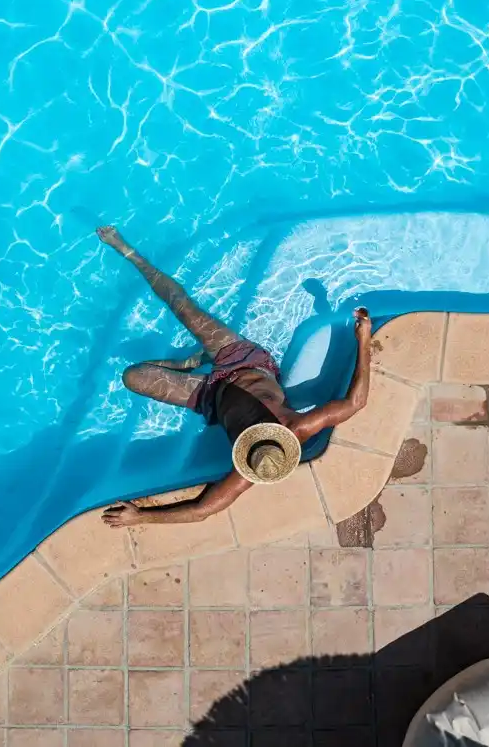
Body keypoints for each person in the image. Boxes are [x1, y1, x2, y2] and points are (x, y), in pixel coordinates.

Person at [96, 225, 372, 528]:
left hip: (210, 397)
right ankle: (130, 253)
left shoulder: (249, 469)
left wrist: (139, 517)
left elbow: (202, 510)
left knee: (133, 377)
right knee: (184, 309)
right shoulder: (300, 425)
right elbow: (356, 402)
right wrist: (364, 339)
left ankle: (190, 362)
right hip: (242, 360)